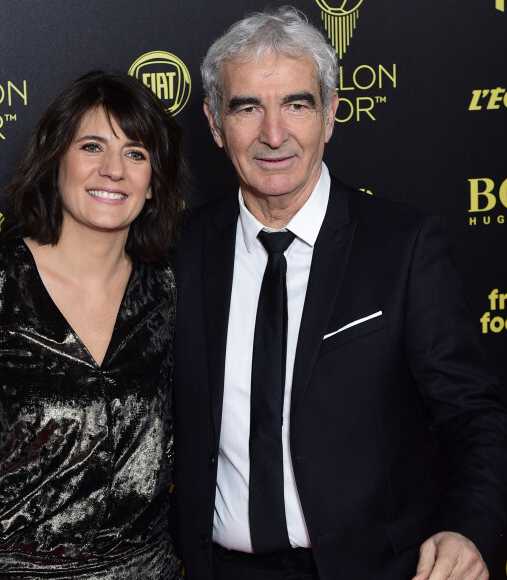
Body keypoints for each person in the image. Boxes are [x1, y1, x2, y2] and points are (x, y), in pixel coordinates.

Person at [171, 6, 507, 580]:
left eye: (296, 104)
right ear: (213, 122)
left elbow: (474, 416)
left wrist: (469, 527)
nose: (273, 135)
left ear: (329, 114)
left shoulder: (404, 246)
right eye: (247, 107)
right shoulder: (180, 249)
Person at [0, 70, 186, 579]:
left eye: (135, 153)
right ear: (55, 162)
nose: (113, 169)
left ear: (153, 184)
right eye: (93, 146)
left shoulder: (169, 291)